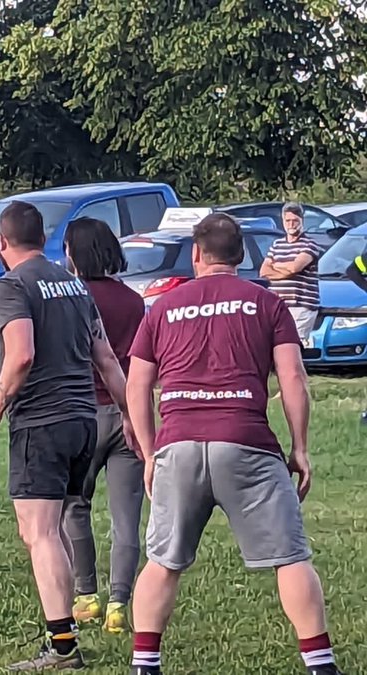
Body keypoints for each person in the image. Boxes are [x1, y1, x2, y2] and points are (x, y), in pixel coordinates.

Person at [125, 213, 342, 675]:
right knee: (291, 558)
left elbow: (136, 385)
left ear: (196, 254)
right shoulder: (265, 304)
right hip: (246, 440)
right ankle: (321, 665)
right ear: (242, 256)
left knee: (163, 562)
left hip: (179, 444)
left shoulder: (163, 307)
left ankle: (145, 664)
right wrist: (299, 447)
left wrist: (149, 452)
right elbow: (293, 377)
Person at [0, 201, 135, 671]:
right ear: (44, 238)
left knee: (39, 532)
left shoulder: (11, 285)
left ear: (1, 242)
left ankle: (62, 645)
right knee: (58, 524)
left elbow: (20, 354)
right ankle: (65, 623)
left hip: (41, 421)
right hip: (85, 418)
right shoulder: (73, 284)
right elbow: (106, 359)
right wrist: (130, 416)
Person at [57, 217, 147, 635]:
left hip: (82, 411)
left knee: (75, 505)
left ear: (74, 253)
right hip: (128, 411)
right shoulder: (133, 300)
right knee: (126, 517)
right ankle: (119, 603)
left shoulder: (71, 298)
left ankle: (85, 594)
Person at [260, 202, 323, 345]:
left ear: (302, 221)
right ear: (282, 221)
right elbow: (264, 271)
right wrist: (286, 271)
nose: (291, 224)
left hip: (301, 305)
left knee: (294, 347)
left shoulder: (309, 244)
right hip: (278, 304)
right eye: (288, 220)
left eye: (295, 221)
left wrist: (276, 266)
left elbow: (295, 267)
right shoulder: (277, 244)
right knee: (275, 346)